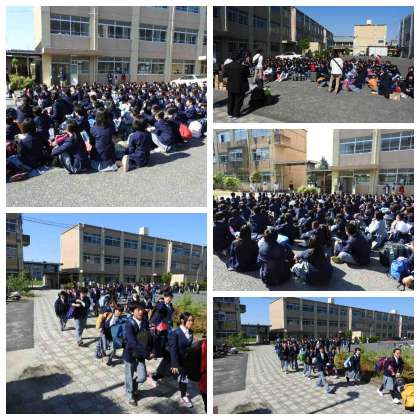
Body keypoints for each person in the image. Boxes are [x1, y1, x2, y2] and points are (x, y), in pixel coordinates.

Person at [122, 303, 151, 406]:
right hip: (129, 355)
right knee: (129, 376)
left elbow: (148, 337)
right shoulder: (128, 324)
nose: (140, 311)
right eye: (138, 310)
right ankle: (130, 395)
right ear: (132, 311)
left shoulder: (145, 322)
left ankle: (132, 386)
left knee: (142, 377)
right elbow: (132, 342)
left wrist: (152, 351)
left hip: (140, 355)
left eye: (141, 309)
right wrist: (146, 354)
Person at [168, 312, 195, 408]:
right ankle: (154, 376)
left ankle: (183, 395)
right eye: (189, 320)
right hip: (177, 360)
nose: (191, 322)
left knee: (183, 378)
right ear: (182, 321)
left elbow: (189, 346)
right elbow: (173, 349)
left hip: (186, 360)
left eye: (192, 320)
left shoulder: (190, 331)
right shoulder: (175, 332)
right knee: (167, 374)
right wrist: (174, 364)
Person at [223, 53, 250, 119]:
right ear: (240, 59)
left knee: (230, 99)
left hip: (231, 85)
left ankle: (230, 113)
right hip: (240, 86)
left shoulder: (227, 66)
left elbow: (224, 75)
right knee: (238, 100)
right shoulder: (244, 67)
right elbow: (248, 75)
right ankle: (236, 114)